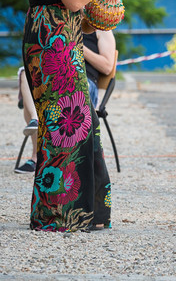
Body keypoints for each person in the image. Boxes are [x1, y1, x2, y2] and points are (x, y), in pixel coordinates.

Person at [20, 0, 126, 231]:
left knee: (72, 124)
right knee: (71, 125)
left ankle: (79, 211)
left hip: (50, 39)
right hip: (55, 47)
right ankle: (64, 214)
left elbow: (55, 2)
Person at [15, 28, 116, 175]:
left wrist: (76, 45)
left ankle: (55, 158)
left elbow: (107, 67)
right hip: (57, 76)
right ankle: (36, 125)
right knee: (27, 73)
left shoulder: (101, 29)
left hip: (84, 81)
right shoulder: (62, 25)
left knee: (51, 89)